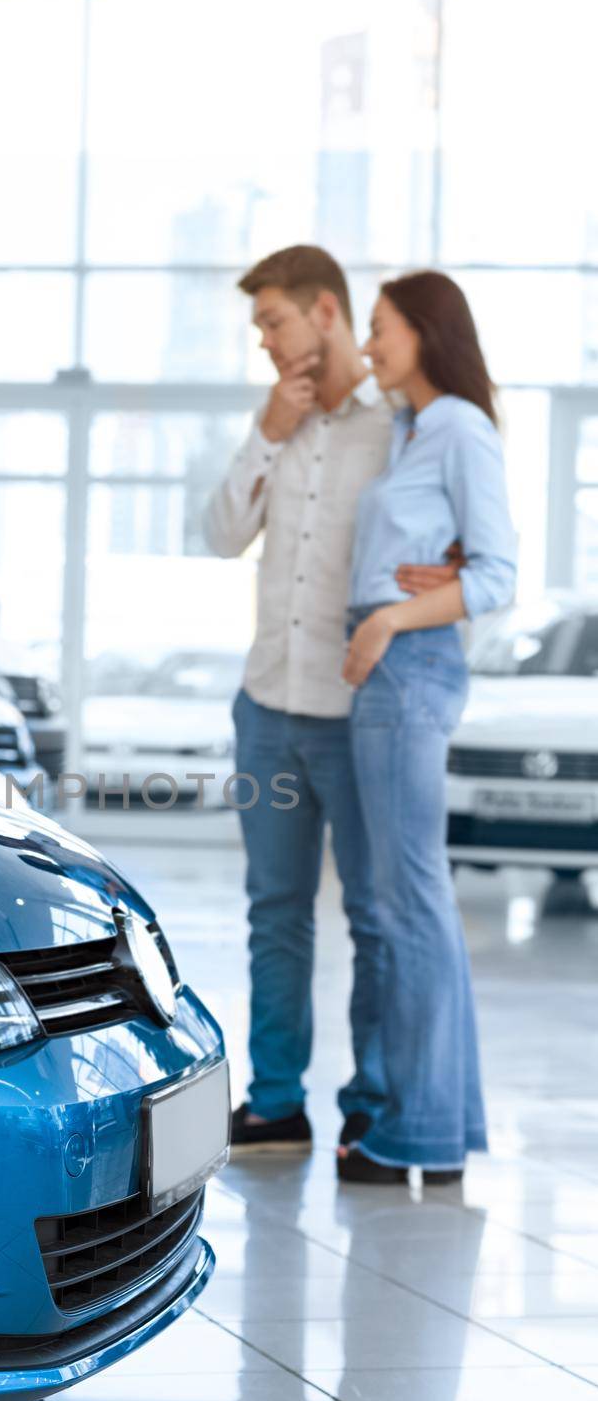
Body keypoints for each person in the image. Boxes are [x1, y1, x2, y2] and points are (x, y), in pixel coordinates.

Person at [203, 245, 460, 1156]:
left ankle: (373, 1101)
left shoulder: (399, 428)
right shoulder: (278, 419)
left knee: (373, 915)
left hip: (360, 718)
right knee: (273, 910)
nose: (265, 343)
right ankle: (275, 1102)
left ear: (324, 315)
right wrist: (267, 431)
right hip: (266, 709)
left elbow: (450, 537)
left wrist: (457, 567)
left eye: (272, 322)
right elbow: (221, 532)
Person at [337, 271, 517, 1184]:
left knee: (409, 899)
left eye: (381, 328)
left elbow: (496, 575)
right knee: (389, 900)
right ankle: (417, 1118)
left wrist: (384, 622)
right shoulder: (409, 429)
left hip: (407, 667)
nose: (370, 345)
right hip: (383, 670)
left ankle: (423, 1134)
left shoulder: (460, 427)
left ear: (424, 330)